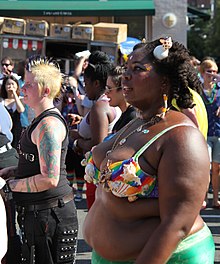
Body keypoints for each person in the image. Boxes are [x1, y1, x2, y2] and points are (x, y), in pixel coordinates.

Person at [82, 37, 215, 263]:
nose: (125, 75)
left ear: (164, 81)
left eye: (138, 69)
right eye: (126, 68)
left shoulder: (182, 137)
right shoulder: (138, 122)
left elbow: (177, 224)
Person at [0, 56, 78, 264]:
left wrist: (13, 185)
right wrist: (16, 170)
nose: (22, 88)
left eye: (29, 84)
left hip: (50, 217)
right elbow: (39, 163)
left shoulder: (48, 125)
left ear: (45, 90)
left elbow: (50, 179)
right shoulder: (40, 120)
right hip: (40, 216)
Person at [69, 50, 121, 207]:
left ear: (96, 83)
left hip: (98, 173)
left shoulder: (100, 106)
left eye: (86, 83)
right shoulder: (109, 102)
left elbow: (97, 145)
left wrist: (77, 141)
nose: (85, 88)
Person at [200, 59, 220, 208]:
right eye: (209, 71)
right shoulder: (198, 90)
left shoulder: (219, 89)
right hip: (204, 133)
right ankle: (204, 197)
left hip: (218, 132)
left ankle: (215, 199)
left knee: (217, 168)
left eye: (214, 71)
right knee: (206, 167)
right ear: (202, 72)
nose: (212, 74)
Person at [105, 65, 137, 133]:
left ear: (124, 89)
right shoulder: (124, 115)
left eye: (109, 89)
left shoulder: (132, 118)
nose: (106, 93)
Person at [0, 75, 25, 148]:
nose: (10, 86)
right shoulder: (2, 101)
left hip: (17, 129)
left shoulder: (20, 99)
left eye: (12, 84)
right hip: (5, 130)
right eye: (8, 84)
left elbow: (21, 110)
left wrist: (14, 93)